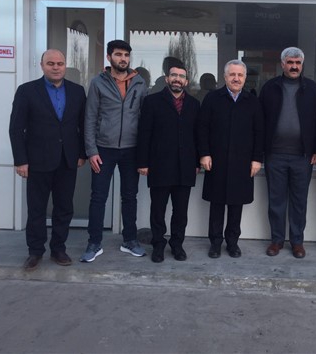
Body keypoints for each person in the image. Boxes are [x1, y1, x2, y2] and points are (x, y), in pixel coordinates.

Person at [9, 49, 87, 271]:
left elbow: (83, 125)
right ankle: (35, 251)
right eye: (50, 63)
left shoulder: (77, 91)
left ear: (65, 65)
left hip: (67, 160)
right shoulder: (27, 91)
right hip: (37, 160)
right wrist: (20, 160)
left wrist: (82, 153)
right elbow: (16, 128)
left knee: (64, 207)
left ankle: (58, 249)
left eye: (60, 63)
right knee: (36, 208)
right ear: (42, 65)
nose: (56, 67)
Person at [80, 40, 147, 262]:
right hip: (103, 149)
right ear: (109, 57)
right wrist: (91, 150)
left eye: (126, 55)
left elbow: (144, 119)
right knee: (98, 197)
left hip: (131, 149)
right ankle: (94, 242)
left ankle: (130, 240)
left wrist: (143, 152)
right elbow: (90, 118)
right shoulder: (98, 83)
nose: (123, 59)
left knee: (130, 196)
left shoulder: (139, 83)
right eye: (118, 54)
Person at [259, 47, 316, 259]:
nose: (294, 66)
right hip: (275, 155)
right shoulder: (270, 88)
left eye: (297, 63)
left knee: (299, 201)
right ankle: (276, 240)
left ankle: (297, 242)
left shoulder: (312, 89)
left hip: (302, 157)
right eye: (290, 62)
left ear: (302, 65)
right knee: (276, 201)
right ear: (282, 64)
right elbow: (260, 121)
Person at [197, 60, 264, 259]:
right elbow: (202, 128)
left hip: (243, 162)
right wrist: (204, 153)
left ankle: (232, 243)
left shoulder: (252, 101)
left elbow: (259, 132)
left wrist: (257, 159)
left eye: (240, 75)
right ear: (225, 77)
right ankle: (215, 243)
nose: (236, 78)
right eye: (232, 74)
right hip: (216, 160)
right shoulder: (212, 98)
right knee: (217, 204)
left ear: (245, 78)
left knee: (236, 204)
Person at [137, 63, 200, 263]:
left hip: (185, 166)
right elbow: (144, 133)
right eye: (174, 75)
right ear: (167, 78)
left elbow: (198, 135)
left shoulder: (194, 104)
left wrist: (197, 161)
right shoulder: (152, 102)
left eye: (181, 76)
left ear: (186, 81)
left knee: (180, 211)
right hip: (159, 165)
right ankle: (158, 245)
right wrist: (143, 162)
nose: (177, 79)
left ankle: (177, 245)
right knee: (158, 210)